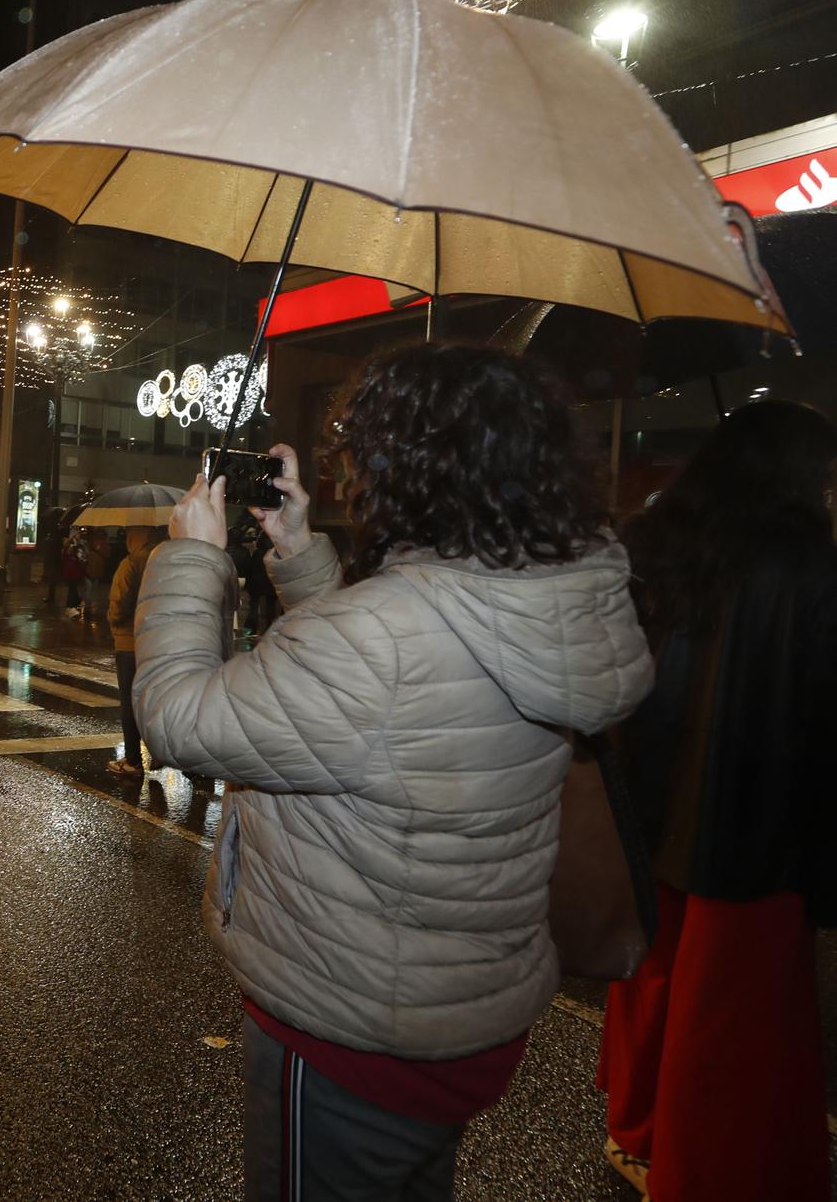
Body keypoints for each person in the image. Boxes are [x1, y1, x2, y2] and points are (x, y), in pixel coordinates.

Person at [132, 343, 653, 1201]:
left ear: (408, 465)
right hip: (460, 1010)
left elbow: (180, 718)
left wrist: (192, 557)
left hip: (350, 1029)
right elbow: (392, 692)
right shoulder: (551, 596)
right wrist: (299, 552)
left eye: (359, 441)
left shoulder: (385, 632)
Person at [595, 400, 837, 1202]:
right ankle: (698, 1173)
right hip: (751, 825)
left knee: (652, 980)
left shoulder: (660, 547)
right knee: (731, 1020)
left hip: (651, 807)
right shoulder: (807, 566)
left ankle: (634, 1130)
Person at [104, 523, 166, 779]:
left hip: (130, 643)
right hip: (159, 642)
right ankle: (160, 753)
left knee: (131, 703)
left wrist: (113, 619)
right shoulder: (166, 562)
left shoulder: (131, 564)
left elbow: (119, 605)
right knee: (154, 701)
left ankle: (132, 761)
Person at [80, 528, 113, 629]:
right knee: (91, 591)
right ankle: (88, 608)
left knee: (89, 591)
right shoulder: (104, 546)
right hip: (96, 571)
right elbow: (108, 556)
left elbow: (84, 557)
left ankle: (87, 608)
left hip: (90, 571)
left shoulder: (91, 545)